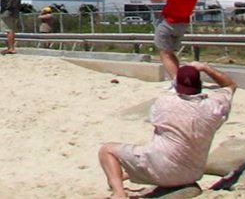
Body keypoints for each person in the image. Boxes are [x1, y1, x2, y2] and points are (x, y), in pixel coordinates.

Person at [99, 61, 237, 199]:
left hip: (161, 171)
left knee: (107, 150)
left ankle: (119, 194)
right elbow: (230, 85)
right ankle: (124, 176)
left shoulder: (164, 103)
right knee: (166, 151)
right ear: (200, 85)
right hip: (192, 174)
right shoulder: (215, 106)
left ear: (177, 86)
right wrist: (206, 68)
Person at [150, 0, 200, 83]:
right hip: (182, 25)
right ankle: (179, 79)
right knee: (171, 54)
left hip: (168, 24)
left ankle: (176, 82)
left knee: (165, 55)